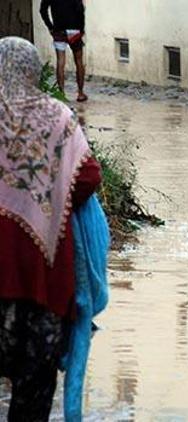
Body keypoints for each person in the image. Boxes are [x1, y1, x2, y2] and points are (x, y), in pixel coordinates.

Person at [0, 36, 101, 420]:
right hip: (43, 275)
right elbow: (89, 177)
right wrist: (47, 193)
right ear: (33, 71)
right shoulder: (57, 118)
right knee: (34, 390)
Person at [40, 0, 88, 102]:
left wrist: (50, 26)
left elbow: (42, 10)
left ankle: (61, 94)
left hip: (58, 30)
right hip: (75, 30)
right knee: (79, 61)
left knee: (60, 62)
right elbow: (80, 9)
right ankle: (80, 93)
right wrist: (82, 29)